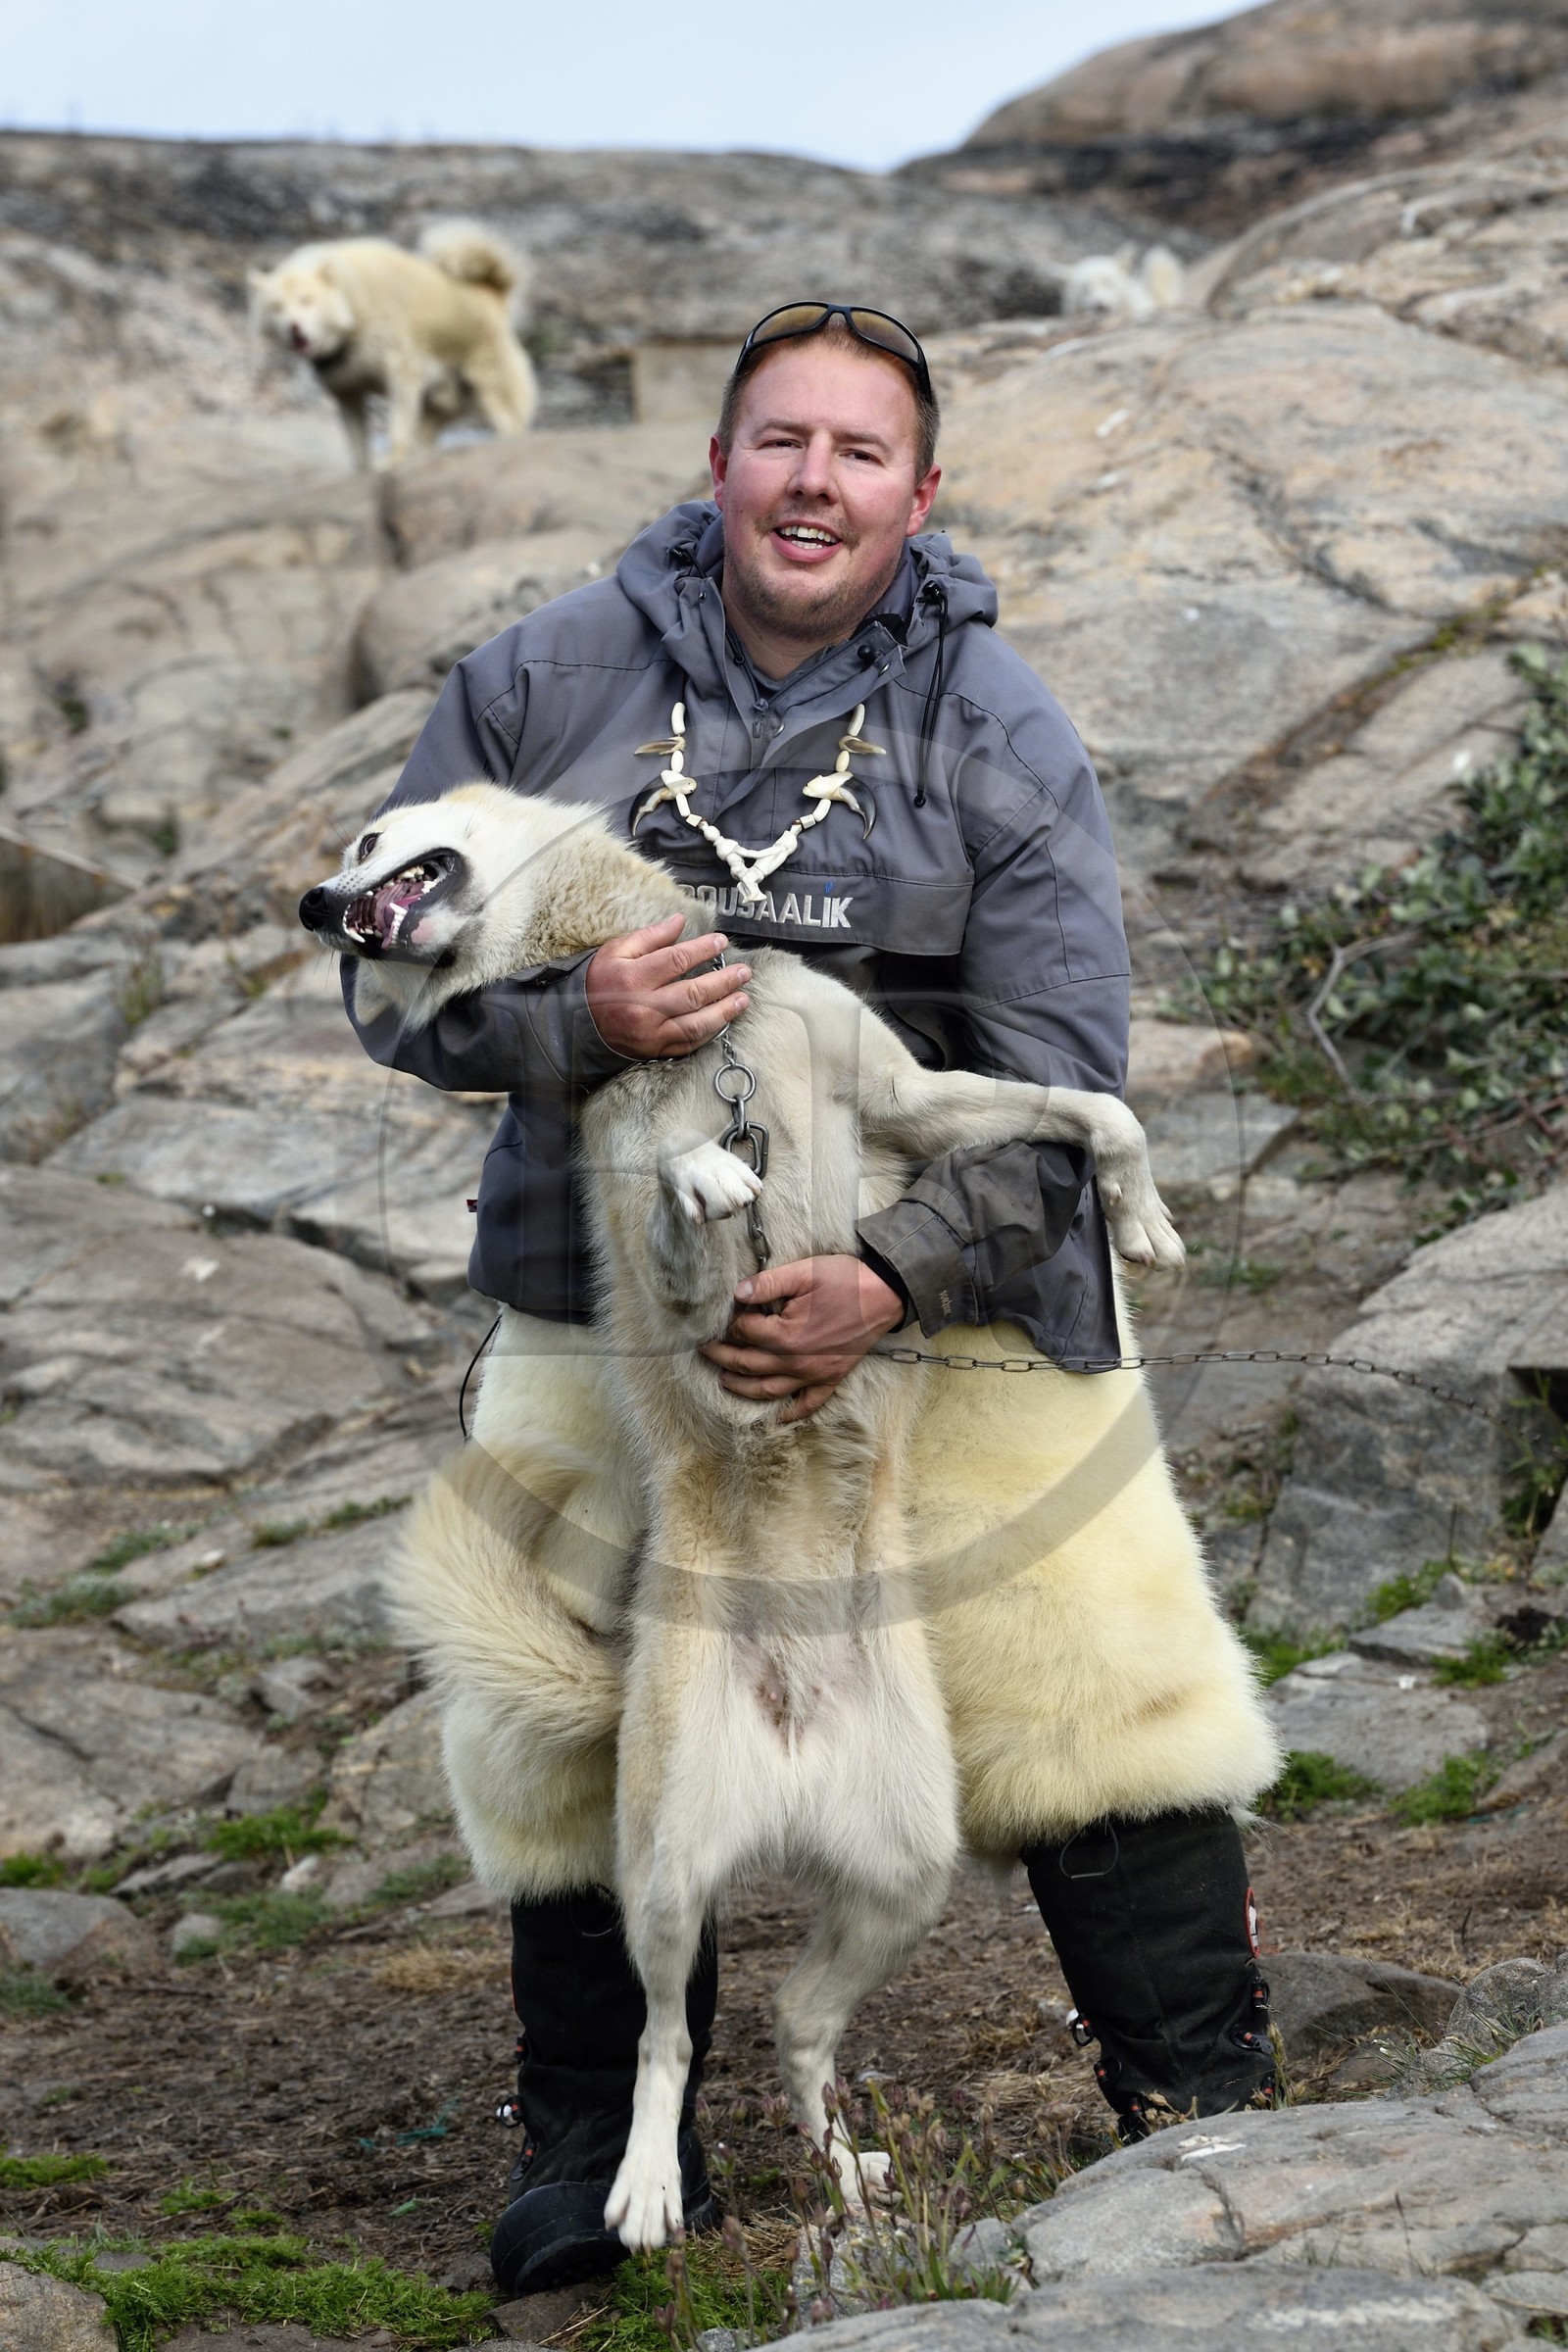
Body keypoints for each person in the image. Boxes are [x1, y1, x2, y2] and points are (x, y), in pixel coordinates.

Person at [344, 301, 1276, 2294]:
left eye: (859, 453)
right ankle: (584, 2151)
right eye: (780, 441)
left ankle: (1205, 2119)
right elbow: (382, 982)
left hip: (941, 1295)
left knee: (1101, 1687)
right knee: (557, 1698)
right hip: (613, 1294)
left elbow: (1061, 1068)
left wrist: (887, 1271)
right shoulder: (536, 679)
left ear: (916, 496)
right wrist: (564, 1018)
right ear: (717, 464)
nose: (813, 481)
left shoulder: (999, 722)